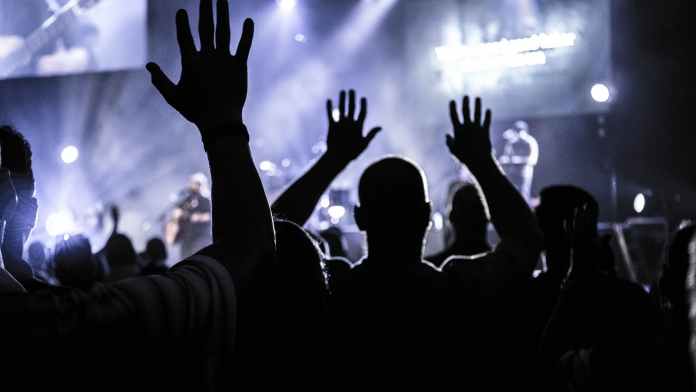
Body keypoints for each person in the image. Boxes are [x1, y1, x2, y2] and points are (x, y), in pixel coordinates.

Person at [1, 2, 274, 390]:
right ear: (22, 206)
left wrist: (14, 258)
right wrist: (223, 126)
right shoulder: (73, 325)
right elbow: (250, 262)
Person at [425, 181, 491, 269]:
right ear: (487, 218)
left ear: (452, 217)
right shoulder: (502, 266)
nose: (471, 220)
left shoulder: (433, 268)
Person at [165, 173, 213, 259]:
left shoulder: (205, 199)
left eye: (194, 183)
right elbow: (177, 215)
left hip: (201, 239)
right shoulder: (187, 200)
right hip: (186, 240)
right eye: (191, 183)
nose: (191, 185)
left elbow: (207, 216)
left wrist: (187, 215)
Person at [498, 120, 539, 202]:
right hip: (512, 172)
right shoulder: (512, 142)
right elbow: (507, 156)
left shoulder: (531, 142)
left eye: (519, 131)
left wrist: (515, 160)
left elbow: (532, 160)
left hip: (524, 172)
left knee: (524, 194)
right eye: (516, 131)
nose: (518, 134)